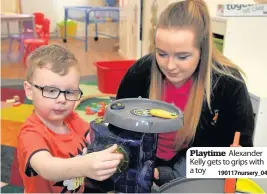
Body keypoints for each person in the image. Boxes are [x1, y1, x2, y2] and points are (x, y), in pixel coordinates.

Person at [116, 0, 255, 186]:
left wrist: (173, 173)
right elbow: (117, 128)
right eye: (161, 54)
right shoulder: (139, 73)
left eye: (182, 56)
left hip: (191, 175)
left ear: (202, 51)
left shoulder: (229, 85)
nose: (170, 66)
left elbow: (245, 158)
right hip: (139, 166)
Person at [17, 44, 123, 193]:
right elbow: (45, 167)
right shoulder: (30, 133)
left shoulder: (72, 118)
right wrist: (83, 166)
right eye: (51, 91)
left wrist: (111, 146)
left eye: (69, 92)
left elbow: (93, 136)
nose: (62, 99)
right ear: (29, 90)